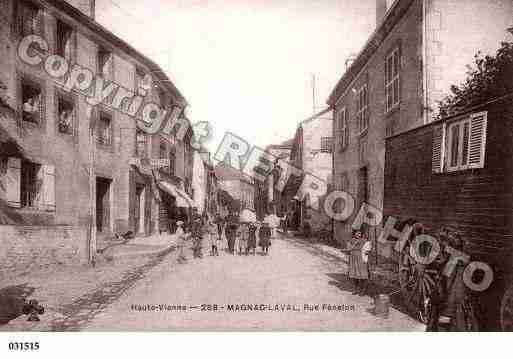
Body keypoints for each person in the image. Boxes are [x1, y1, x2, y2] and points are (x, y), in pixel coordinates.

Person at [346, 229, 372, 296]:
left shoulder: (364, 241)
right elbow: (348, 249)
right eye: (357, 233)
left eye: (360, 233)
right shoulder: (350, 240)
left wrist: (367, 252)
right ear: (354, 233)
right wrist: (351, 247)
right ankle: (356, 289)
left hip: (361, 259)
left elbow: (368, 249)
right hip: (353, 259)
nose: (358, 235)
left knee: (363, 275)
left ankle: (363, 290)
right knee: (354, 275)